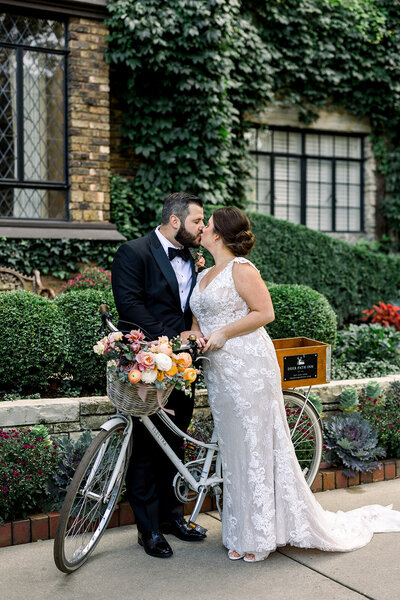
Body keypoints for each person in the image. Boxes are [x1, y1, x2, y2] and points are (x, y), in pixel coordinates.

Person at [189, 205, 400, 563]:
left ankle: (261, 535)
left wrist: (223, 332)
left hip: (248, 367)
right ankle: (241, 530)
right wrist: (194, 336)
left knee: (255, 446)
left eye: (207, 225)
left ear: (220, 234)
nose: (203, 229)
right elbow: (198, 317)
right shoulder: (205, 272)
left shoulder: (241, 269)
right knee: (235, 450)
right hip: (219, 371)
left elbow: (264, 313)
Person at [111, 192, 206, 558]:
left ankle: (173, 518)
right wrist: (170, 341)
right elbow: (130, 306)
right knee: (147, 450)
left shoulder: (196, 258)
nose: (203, 227)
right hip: (148, 366)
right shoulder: (133, 253)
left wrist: (192, 344)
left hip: (184, 368)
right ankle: (148, 530)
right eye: (198, 221)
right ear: (175, 221)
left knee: (176, 441)